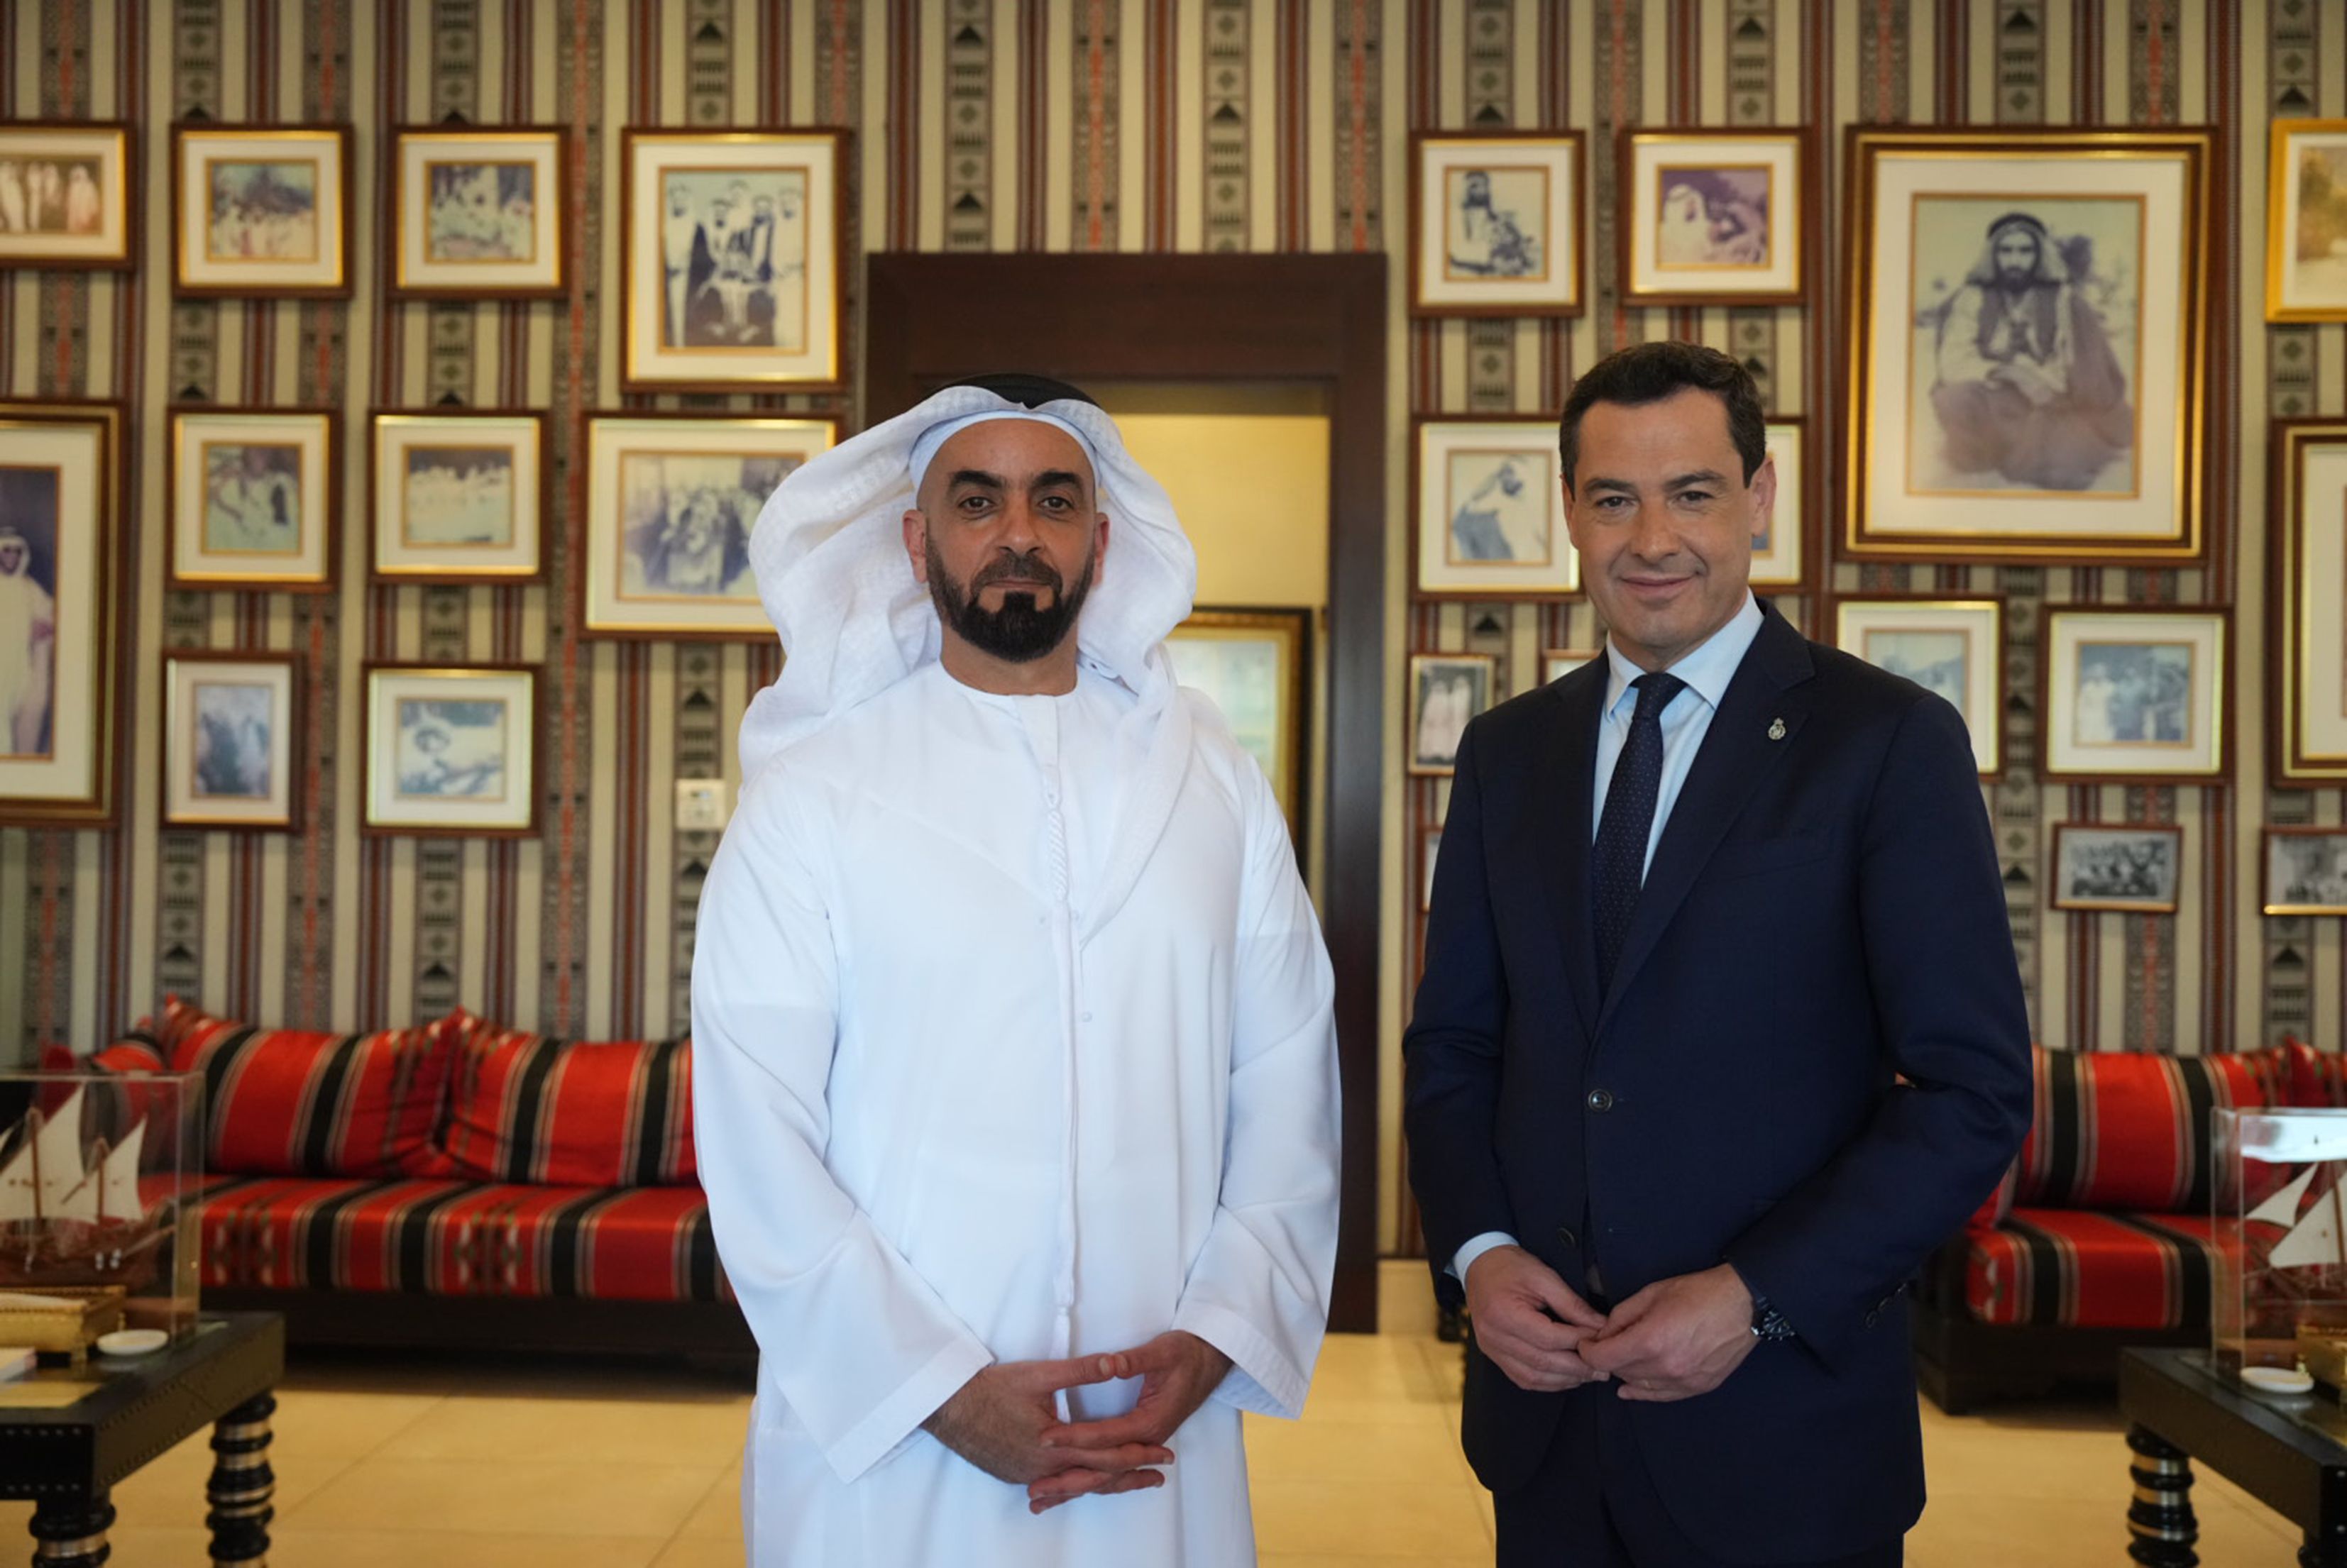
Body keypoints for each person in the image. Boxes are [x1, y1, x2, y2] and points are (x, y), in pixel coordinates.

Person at [691, 372, 1341, 1567]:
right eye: (976, 502)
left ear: (1101, 539)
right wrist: (939, 1390)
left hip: (1153, 1420)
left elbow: (1290, 1078)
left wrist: (1215, 1334)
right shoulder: (812, 798)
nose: (1017, 536)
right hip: (891, 1444)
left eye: (1053, 501)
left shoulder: (1212, 780)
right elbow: (756, 1143)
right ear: (915, 538)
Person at [1405, 339, 2030, 1568]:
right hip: (1546, 1429)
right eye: (1611, 498)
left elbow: (1972, 1090)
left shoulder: (1885, 741)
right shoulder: (1505, 755)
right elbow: (1452, 1049)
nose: (1651, 538)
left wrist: (1757, 1294)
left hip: (1778, 1427)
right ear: (1569, 513)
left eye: (1690, 492)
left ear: (1758, 498)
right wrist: (1476, 1257)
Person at [1927, 209, 2133, 492]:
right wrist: (2011, 372)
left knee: (2062, 471)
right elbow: (1953, 361)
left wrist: (2039, 381)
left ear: (2038, 256)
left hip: (2053, 398)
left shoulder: (2064, 300)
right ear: (1994, 256)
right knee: (1952, 397)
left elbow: (2079, 365)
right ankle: (1991, 452)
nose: (2015, 260)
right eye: (2006, 251)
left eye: (2025, 251)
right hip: (1996, 395)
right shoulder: (1971, 298)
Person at [0, 526, 53, 756]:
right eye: (7, 550)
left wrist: (44, 629)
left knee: (24, 723)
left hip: (23, 669)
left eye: (16, 551)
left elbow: (51, 621)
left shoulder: (32, 590)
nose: (11, 556)